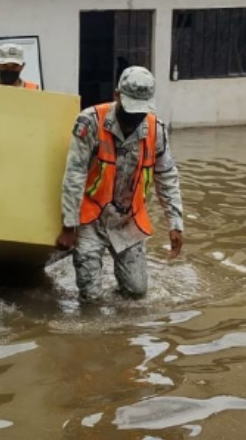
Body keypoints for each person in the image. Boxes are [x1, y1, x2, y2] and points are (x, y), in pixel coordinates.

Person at [55, 66, 184, 302]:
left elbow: (167, 177)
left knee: (136, 292)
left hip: (126, 219)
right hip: (91, 217)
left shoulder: (156, 130)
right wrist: (68, 225)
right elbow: (74, 174)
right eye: (131, 109)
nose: (135, 117)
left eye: (141, 111)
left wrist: (175, 223)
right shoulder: (91, 122)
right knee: (91, 297)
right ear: (117, 96)